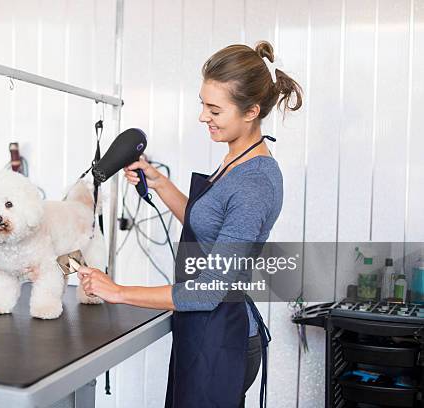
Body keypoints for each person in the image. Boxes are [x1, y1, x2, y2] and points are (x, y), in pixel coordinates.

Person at [77, 41, 303, 408]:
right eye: (203, 103)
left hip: (221, 338)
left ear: (252, 111)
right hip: (202, 330)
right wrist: (160, 182)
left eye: (214, 109)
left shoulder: (254, 183)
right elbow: (207, 229)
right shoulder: (235, 159)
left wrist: (117, 291)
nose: (203, 116)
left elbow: (208, 290)